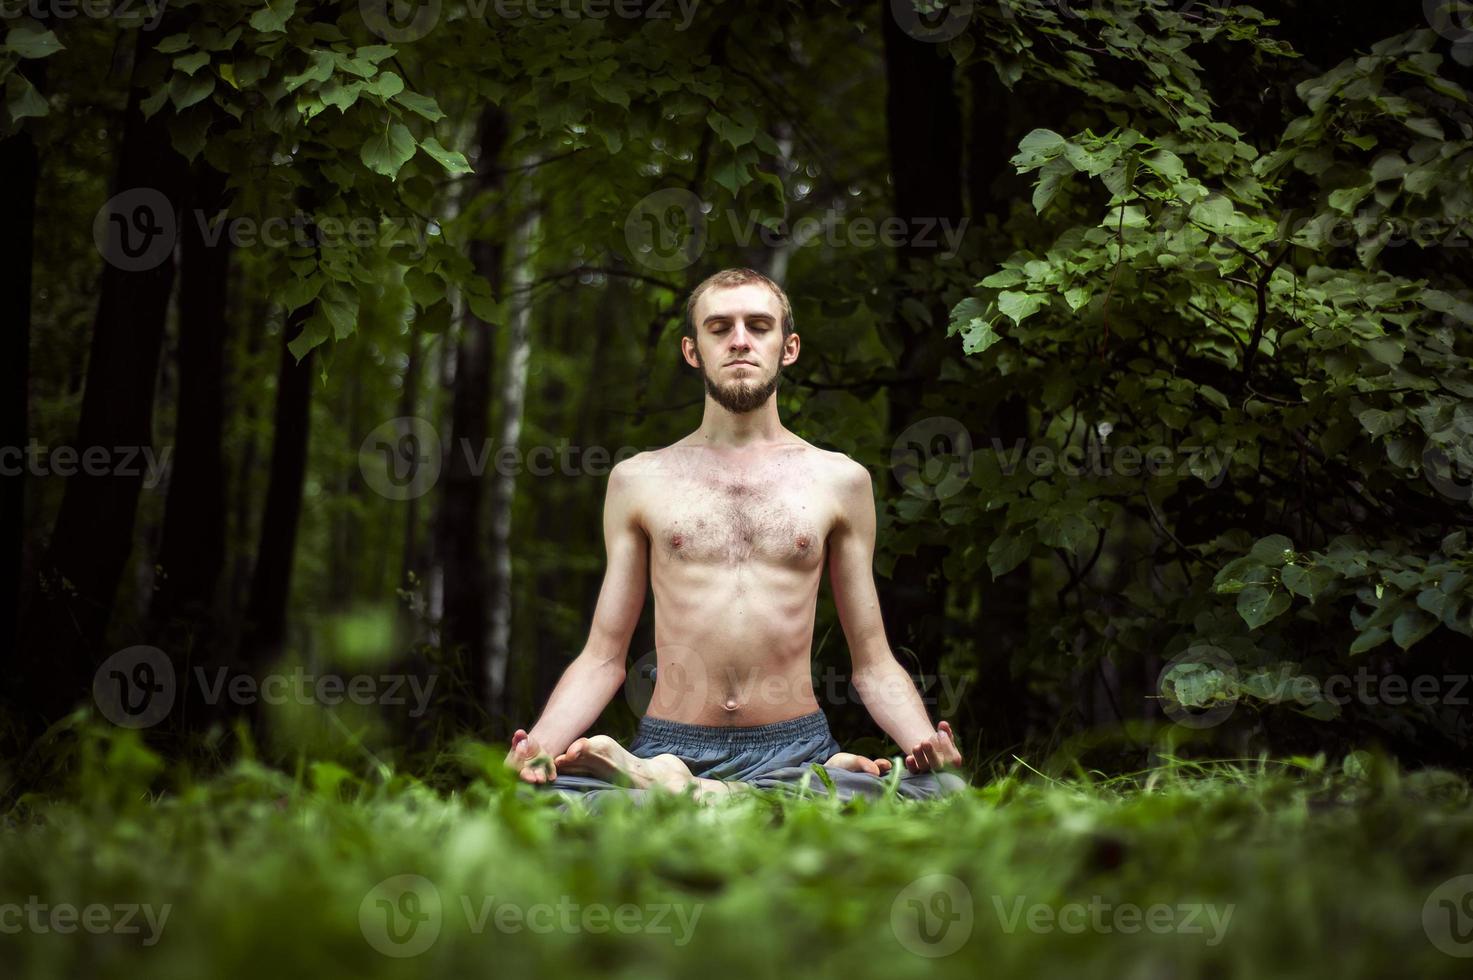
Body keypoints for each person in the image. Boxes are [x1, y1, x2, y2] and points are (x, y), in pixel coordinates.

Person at [503, 267, 966, 802]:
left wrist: (924, 745)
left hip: (796, 746)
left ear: (787, 348)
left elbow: (872, 661)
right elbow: (605, 656)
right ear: (693, 350)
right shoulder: (639, 480)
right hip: (669, 740)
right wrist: (540, 745)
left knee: (942, 794)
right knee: (528, 801)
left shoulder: (841, 480)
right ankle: (715, 790)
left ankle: (687, 795)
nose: (740, 340)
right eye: (719, 327)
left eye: (759, 326)